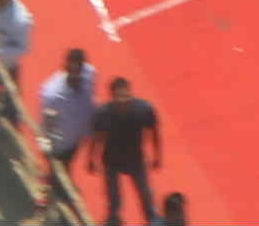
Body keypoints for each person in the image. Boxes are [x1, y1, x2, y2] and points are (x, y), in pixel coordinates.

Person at [89, 73, 163, 226]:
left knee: (145, 192)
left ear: (130, 93)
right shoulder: (103, 114)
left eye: (125, 95)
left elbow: (154, 132)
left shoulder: (144, 110)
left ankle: (152, 219)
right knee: (114, 197)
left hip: (135, 159)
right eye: (119, 96)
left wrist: (157, 155)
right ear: (112, 96)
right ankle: (113, 219)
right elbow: (97, 137)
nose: (123, 100)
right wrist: (91, 158)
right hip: (111, 160)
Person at [35, 48, 100, 188]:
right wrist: (46, 147)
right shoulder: (52, 94)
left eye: (80, 68)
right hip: (61, 143)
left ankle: (60, 183)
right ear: (66, 67)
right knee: (59, 170)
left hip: (78, 136)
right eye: (73, 69)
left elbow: (91, 97)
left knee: (69, 163)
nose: (77, 73)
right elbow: (46, 124)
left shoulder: (90, 74)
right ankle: (55, 189)